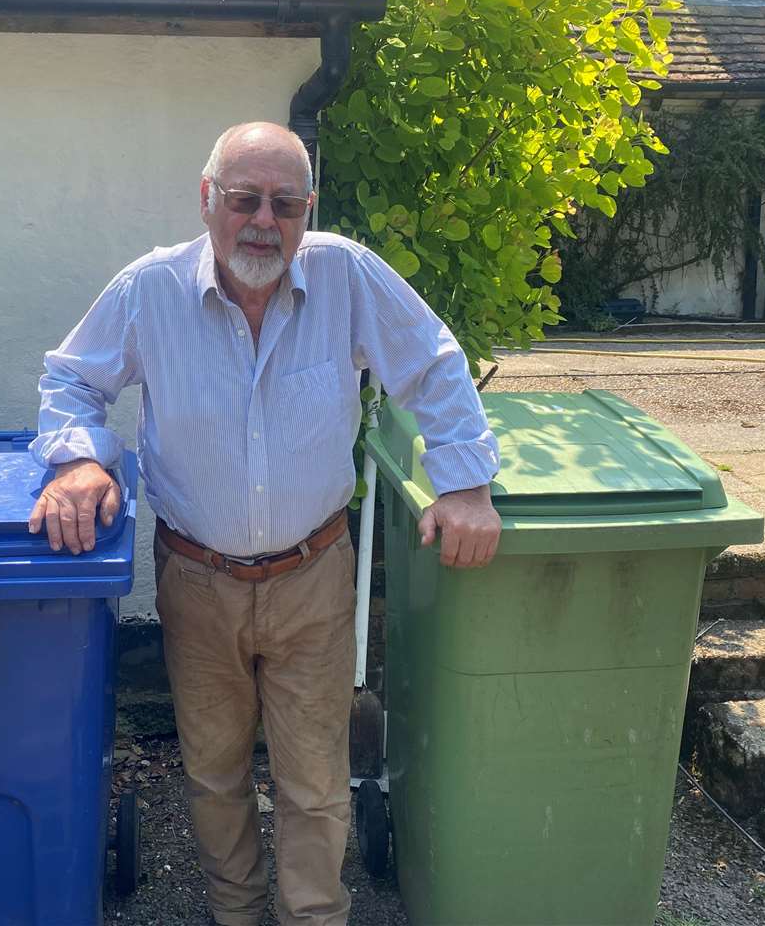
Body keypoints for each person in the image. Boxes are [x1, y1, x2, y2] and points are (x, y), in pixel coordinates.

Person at [28, 122, 502, 926]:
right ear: (207, 200)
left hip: (313, 576)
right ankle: (235, 914)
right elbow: (72, 379)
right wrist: (79, 460)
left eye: (285, 204)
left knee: (315, 778)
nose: (263, 221)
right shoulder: (151, 290)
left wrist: (466, 484)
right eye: (244, 199)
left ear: (307, 210)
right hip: (196, 578)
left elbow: (432, 361)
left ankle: (313, 918)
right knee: (213, 771)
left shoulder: (346, 274)